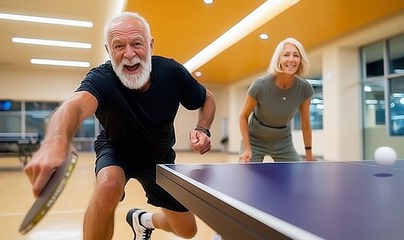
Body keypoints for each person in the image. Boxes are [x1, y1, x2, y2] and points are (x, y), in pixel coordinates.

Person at [24, 11, 215, 240]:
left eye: (137, 43)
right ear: (108, 51)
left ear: (151, 45)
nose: (129, 53)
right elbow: (74, 106)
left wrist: (203, 128)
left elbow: (207, 99)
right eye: (118, 46)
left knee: (187, 231)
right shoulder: (102, 79)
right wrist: (55, 141)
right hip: (116, 150)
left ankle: (143, 220)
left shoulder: (172, 73)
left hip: (159, 157)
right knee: (108, 186)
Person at [239, 37, 314, 162]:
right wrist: (247, 148)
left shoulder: (305, 88)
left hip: (283, 142)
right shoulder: (259, 86)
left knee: (299, 176)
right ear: (278, 59)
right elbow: (243, 116)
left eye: (296, 55)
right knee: (246, 178)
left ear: (300, 60)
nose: (291, 59)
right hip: (255, 140)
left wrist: (309, 154)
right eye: (286, 55)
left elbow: (306, 124)